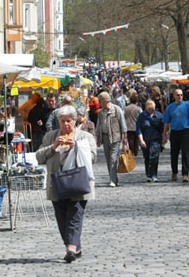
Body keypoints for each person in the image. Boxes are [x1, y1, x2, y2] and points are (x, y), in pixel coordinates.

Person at [36, 105, 97, 263]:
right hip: (57, 183)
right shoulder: (50, 136)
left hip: (79, 182)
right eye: (62, 121)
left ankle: (70, 248)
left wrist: (77, 148)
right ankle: (74, 246)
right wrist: (53, 147)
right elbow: (39, 157)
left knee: (75, 216)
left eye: (68, 121)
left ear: (75, 121)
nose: (65, 125)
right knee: (62, 217)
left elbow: (93, 156)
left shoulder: (84, 137)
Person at [162, 89, 189, 182]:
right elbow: (166, 122)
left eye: (181, 95)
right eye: (178, 95)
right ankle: (174, 172)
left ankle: (185, 174)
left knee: (185, 153)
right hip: (174, 132)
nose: (180, 97)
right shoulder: (170, 107)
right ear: (174, 96)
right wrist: (164, 135)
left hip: (185, 131)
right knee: (174, 153)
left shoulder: (187, 106)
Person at [96, 91, 127, 187]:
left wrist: (125, 138)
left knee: (113, 159)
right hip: (105, 137)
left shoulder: (117, 109)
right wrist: (97, 137)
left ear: (105, 100)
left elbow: (123, 124)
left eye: (100, 101)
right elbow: (98, 125)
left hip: (115, 137)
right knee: (108, 159)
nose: (99, 103)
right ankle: (113, 178)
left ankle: (112, 180)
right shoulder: (100, 112)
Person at [136, 100, 163, 182]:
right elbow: (139, 129)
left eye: (152, 109)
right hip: (145, 139)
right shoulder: (142, 116)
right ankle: (148, 174)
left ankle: (154, 174)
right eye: (149, 109)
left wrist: (163, 139)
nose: (151, 111)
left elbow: (162, 129)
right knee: (147, 157)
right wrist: (141, 140)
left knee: (154, 157)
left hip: (156, 139)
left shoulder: (159, 116)